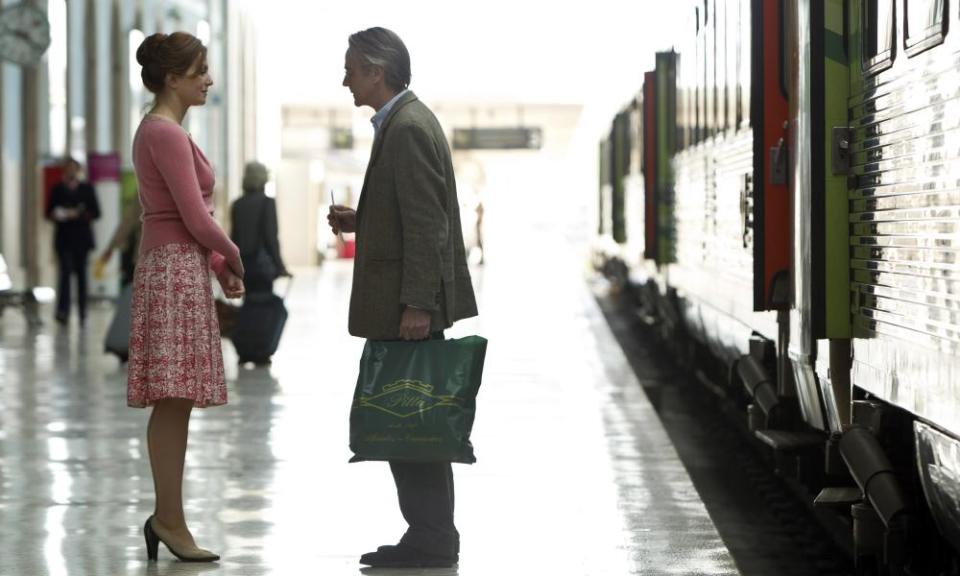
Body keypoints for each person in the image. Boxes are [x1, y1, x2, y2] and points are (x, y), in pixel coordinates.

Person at [328, 27, 478, 569]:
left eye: (350, 67)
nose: (344, 77)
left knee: (412, 421)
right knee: (411, 419)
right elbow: (407, 215)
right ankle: (430, 533)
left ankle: (433, 537)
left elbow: (426, 223)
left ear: (377, 69)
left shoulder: (408, 127)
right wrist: (361, 220)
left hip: (406, 306)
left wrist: (417, 303)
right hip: (402, 301)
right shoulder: (402, 122)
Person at [128, 31, 244, 563]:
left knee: (177, 399)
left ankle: (168, 517)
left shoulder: (167, 131)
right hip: (172, 269)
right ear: (172, 78)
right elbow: (195, 218)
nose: (208, 80)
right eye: (199, 71)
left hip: (179, 266)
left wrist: (218, 266)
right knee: (174, 398)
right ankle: (168, 519)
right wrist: (233, 255)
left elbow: (185, 218)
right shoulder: (165, 133)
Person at [46, 157, 100, 324]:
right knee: (65, 274)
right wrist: (58, 214)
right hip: (64, 239)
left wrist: (78, 214)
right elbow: (48, 212)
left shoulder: (87, 188)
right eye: (67, 168)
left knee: (82, 276)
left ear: (78, 170)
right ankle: (63, 311)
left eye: (73, 168)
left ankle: (83, 312)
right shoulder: (57, 189)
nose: (70, 172)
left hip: (82, 240)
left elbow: (96, 212)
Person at [230, 161, 288, 294]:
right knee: (263, 305)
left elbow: (234, 238)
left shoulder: (237, 205)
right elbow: (271, 237)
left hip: (243, 266)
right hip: (262, 266)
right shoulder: (267, 203)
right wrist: (280, 266)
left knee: (248, 304)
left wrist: (231, 267)